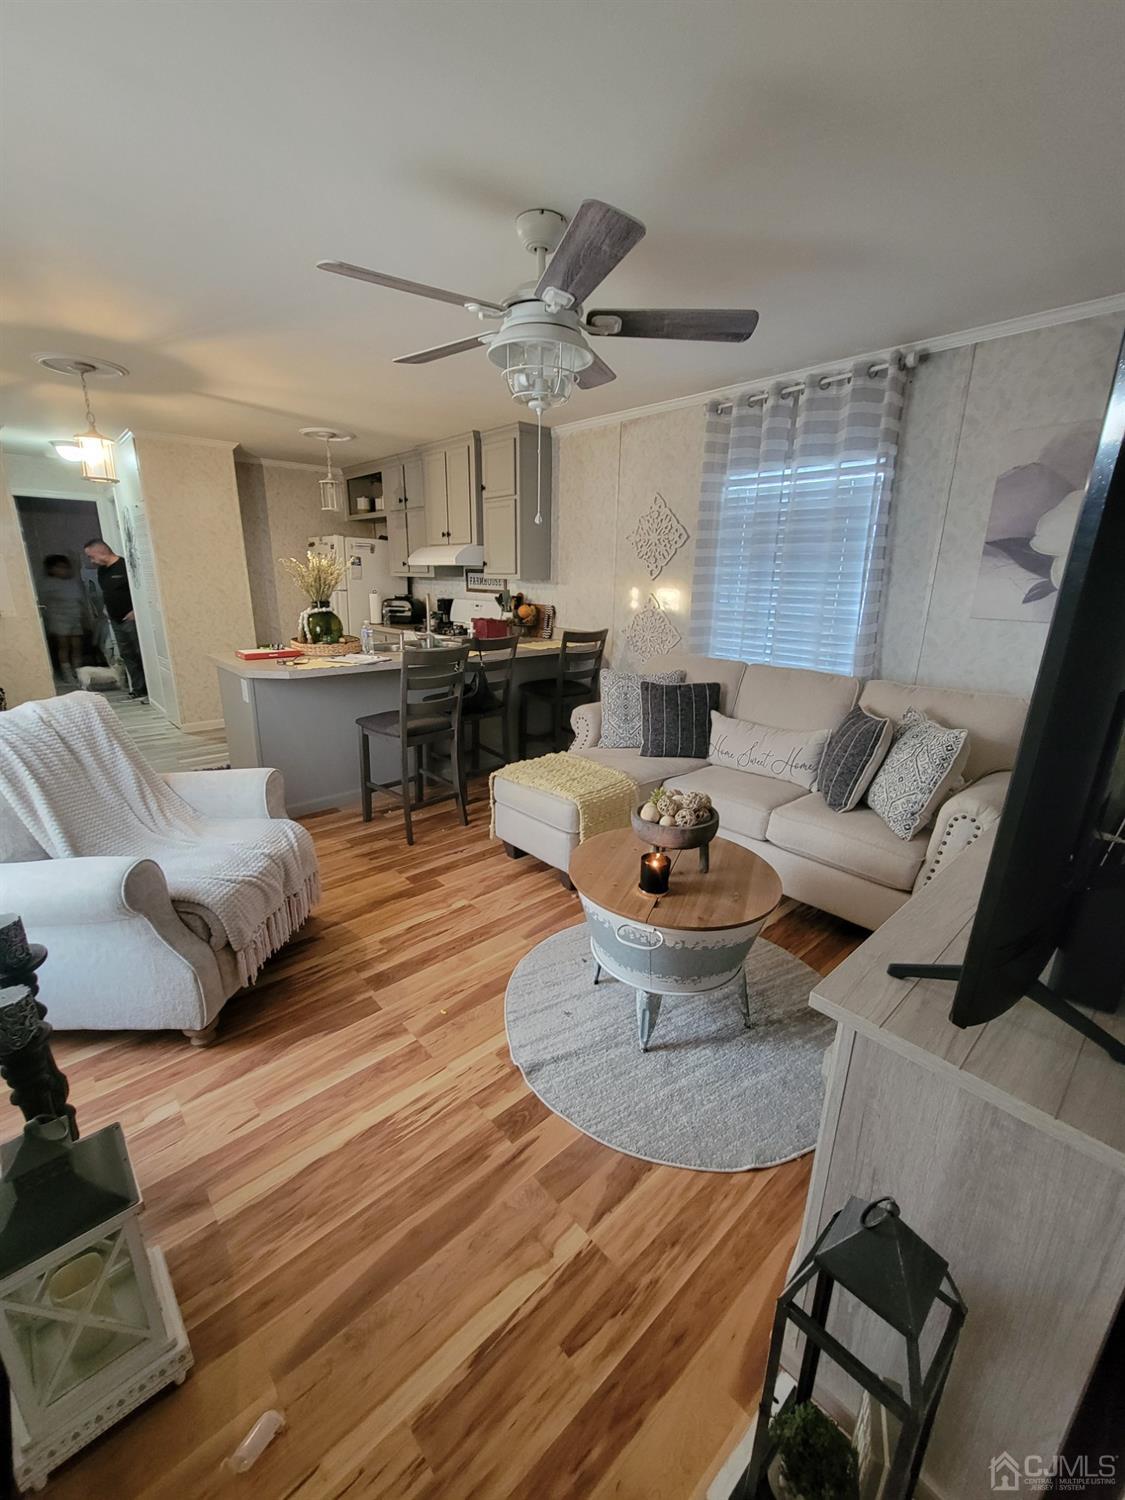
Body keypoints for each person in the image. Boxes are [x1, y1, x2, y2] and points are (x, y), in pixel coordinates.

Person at [83, 538, 147, 698]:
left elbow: (141, 591)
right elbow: (108, 592)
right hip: (116, 620)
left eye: (91, 556)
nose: (91, 561)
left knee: (141, 653)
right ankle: (139, 690)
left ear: (101, 552)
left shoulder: (125, 567)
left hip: (132, 619)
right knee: (127, 655)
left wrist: (136, 611)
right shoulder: (102, 571)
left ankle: (152, 691)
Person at [40, 554, 87, 685]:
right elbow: (44, 603)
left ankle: (77, 671)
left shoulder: (72, 583)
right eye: (60, 567)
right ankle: (67, 673)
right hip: (59, 618)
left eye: (65, 567)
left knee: (77, 645)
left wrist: (84, 616)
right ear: (51, 569)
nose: (64, 570)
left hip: (74, 616)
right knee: (64, 646)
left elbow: (80, 600)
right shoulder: (48, 583)